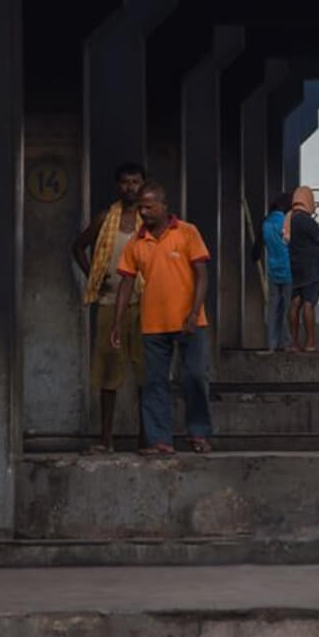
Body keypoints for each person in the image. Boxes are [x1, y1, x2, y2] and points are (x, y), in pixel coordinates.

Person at [110, 182, 212, 455]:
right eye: (141, 207)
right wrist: (117, 322)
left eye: (149, 206)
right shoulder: (137, 241)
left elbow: (202, 274)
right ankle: (160, 440)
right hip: (153, 325)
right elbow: (126, 283)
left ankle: (198, 433)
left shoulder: (187, 232)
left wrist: (194, 311)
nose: (143, 212)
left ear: (164, 206)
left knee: (194, 376)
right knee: (155, 382)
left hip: (190, 322)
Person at [72, 162, 146, 454]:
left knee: (145, 374)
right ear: (119, 186)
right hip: (108, 303)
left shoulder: (148, 220)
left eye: (136, 182)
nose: (131, 187)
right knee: (107, 375)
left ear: (143, 184)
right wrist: (93, 275)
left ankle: (145, 437)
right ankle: (106, 438)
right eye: (126, 182)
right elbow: (77, 246)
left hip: (143, 303)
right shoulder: (105, 218)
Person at [287, 186, 319, 351]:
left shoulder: (290, 218)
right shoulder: (306, 219)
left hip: (295, 265)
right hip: (311, 267)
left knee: (295, 302)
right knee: (308, 303)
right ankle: (310, 342)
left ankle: (294, 342)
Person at [261, 193, 294, 352]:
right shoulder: (286, 222)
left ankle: (271, 345)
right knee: (288, 308)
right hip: (288, 270)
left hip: (272, 271)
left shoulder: (266, 223)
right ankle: (286, 343)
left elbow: (259, 247)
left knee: (273, 309)